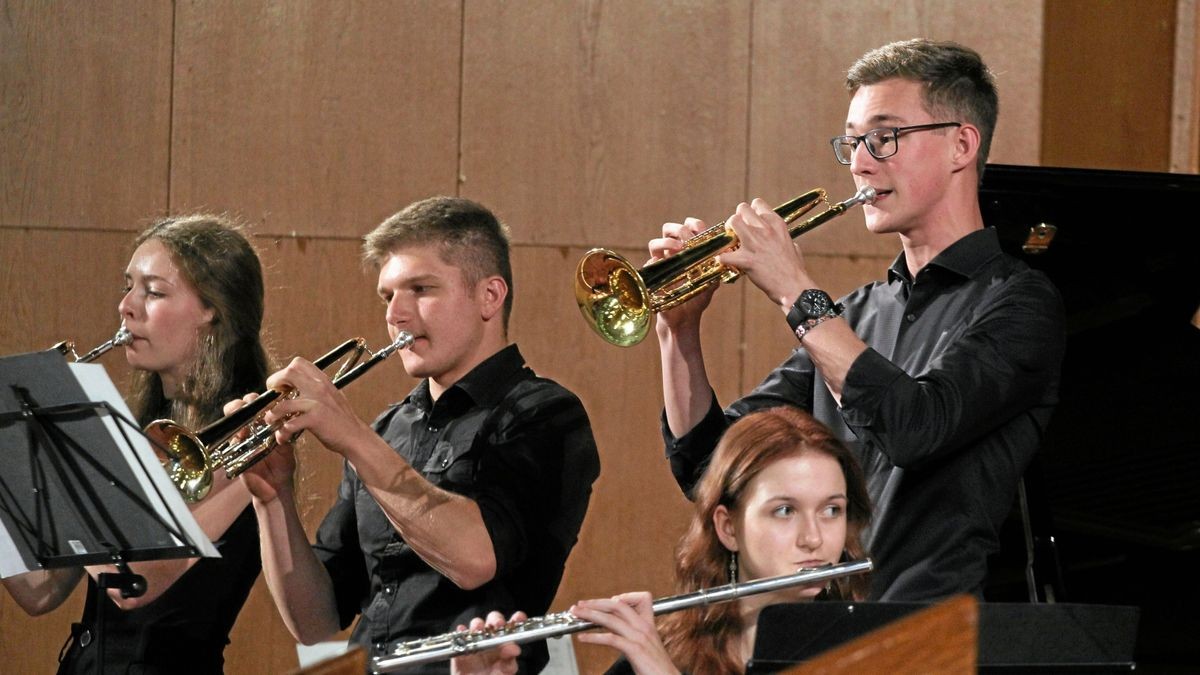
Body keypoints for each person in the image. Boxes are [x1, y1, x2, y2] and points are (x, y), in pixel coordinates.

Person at [651, 38, 1066, 602]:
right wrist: (680, 335)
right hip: (833, 631)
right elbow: (713, 468)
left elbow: (914, 426)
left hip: (934, 638)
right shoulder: (856, 315)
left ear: (961, 145)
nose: (861, 163)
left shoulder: (1020, 303)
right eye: (852, 143)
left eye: (883, 137)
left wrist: (796, 291)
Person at [239, 196, 600, 673]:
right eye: (388, 296)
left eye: (421, 289)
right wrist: (273, 496)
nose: (396, 315)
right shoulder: (387, 429)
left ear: (490, 296)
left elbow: (474, 559)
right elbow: (317, 623)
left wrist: (351, 438)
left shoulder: (545, 413)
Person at [3, 214, 270, 673]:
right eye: (129, 286)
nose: (126, 306)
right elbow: (39, 591)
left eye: (154, 291)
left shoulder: (245, 431)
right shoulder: (141, 428)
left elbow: (133, 582)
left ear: (212, 308)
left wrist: (68, 446)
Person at [452, 406, 872, 675]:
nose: (814, 537)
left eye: (832, 510)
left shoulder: (875, 650)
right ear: (727, 527)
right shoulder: (670, 647)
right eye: (785, 511)